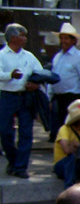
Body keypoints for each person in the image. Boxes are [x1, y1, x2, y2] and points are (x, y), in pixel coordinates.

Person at [0, 23, 48, 179]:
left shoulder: (29, 56)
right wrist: (10, 75)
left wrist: (35, 83)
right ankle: (13, 160)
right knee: (5, 131)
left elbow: (40, 72)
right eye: (22, 35)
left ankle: (21, 166)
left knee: (26, 132)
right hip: (7, 96)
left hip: (25, 96)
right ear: (13, 37)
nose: (25, 39)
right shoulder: (2, 55)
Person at [48, 22, 80, 142]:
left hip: (72, 97)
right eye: (61, 38)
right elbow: (53, 77)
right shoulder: (57, 57)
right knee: (60, 130)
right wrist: (50, 97)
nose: (63, 41)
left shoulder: (79, 57)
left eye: (66, 38)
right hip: (58, 97)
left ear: (73, 40)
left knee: (72, 129)